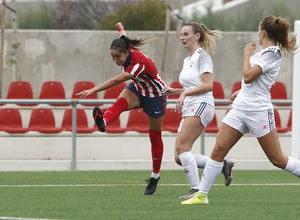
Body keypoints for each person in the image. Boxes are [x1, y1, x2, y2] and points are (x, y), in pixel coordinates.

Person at [182, 15, 300, 205]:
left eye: (259, 29)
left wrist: (246, 54)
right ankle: (201, 196)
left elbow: (248, 76)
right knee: (218, 151)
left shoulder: (272, 53)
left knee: (277, 159)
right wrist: (241, 92)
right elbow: (253, 82)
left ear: (263, 32)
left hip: (259, 111)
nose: (258, 34)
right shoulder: (263, 53)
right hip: (240, 109)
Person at [77, 22, 166, 195]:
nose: (115, 60)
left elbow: (117, 80)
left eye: (118, 57)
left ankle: (155, 176)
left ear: (127, 52)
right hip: (138, 89)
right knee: (119, 103)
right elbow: (123, 36)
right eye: (112, 57)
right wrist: (121, 28)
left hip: (155, 95)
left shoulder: (139, 62)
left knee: (154, 137)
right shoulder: (125, 45)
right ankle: (103, 121)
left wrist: (94, 89)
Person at [162, 22, 234, 199]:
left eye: (186, 34)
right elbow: (193, 85)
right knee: (180, 157)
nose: (182, 38)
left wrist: (185, 93)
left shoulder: (203, 56)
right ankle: (222, 165)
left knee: (182, 147)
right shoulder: (188, 59)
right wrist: (177, 91)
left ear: (197, 36)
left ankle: (196, 190)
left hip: (202, 104)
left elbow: (208, 85)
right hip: (191, 105)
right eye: (181, 34)